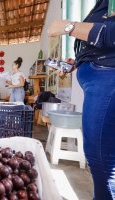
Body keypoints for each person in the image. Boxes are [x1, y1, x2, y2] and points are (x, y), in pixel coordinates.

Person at [48, 0, 115, 199]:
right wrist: (79, 61)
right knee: (100, 157)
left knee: (102, 160)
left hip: (108, 76)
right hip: (99, 75)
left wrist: (70, 27)